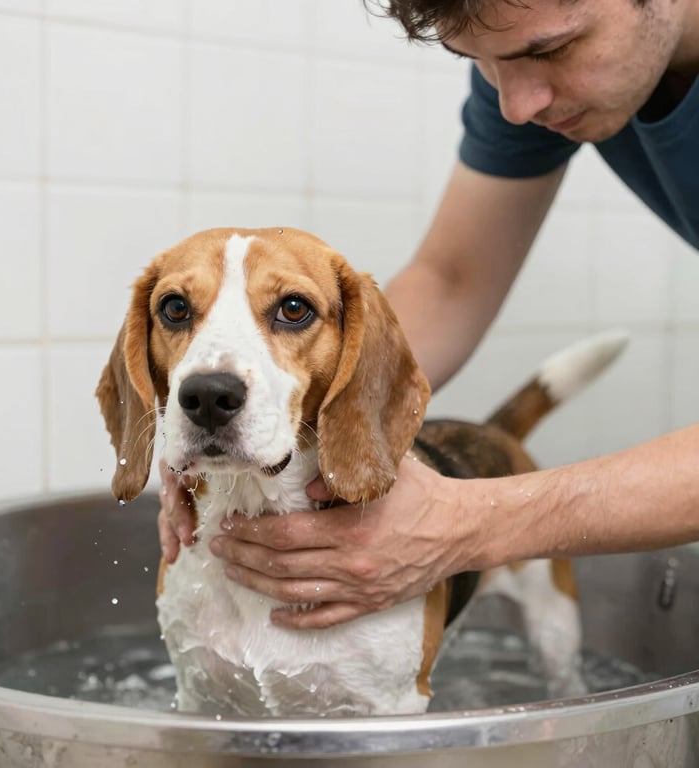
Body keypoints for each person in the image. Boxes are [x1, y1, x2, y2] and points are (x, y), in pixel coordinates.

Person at [158, 0, 699, 630]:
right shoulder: (521, 50)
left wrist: (476, 522)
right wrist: (259, 422)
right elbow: (453, 279)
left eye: (550, 50)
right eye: (480, 63)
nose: (516, 107)